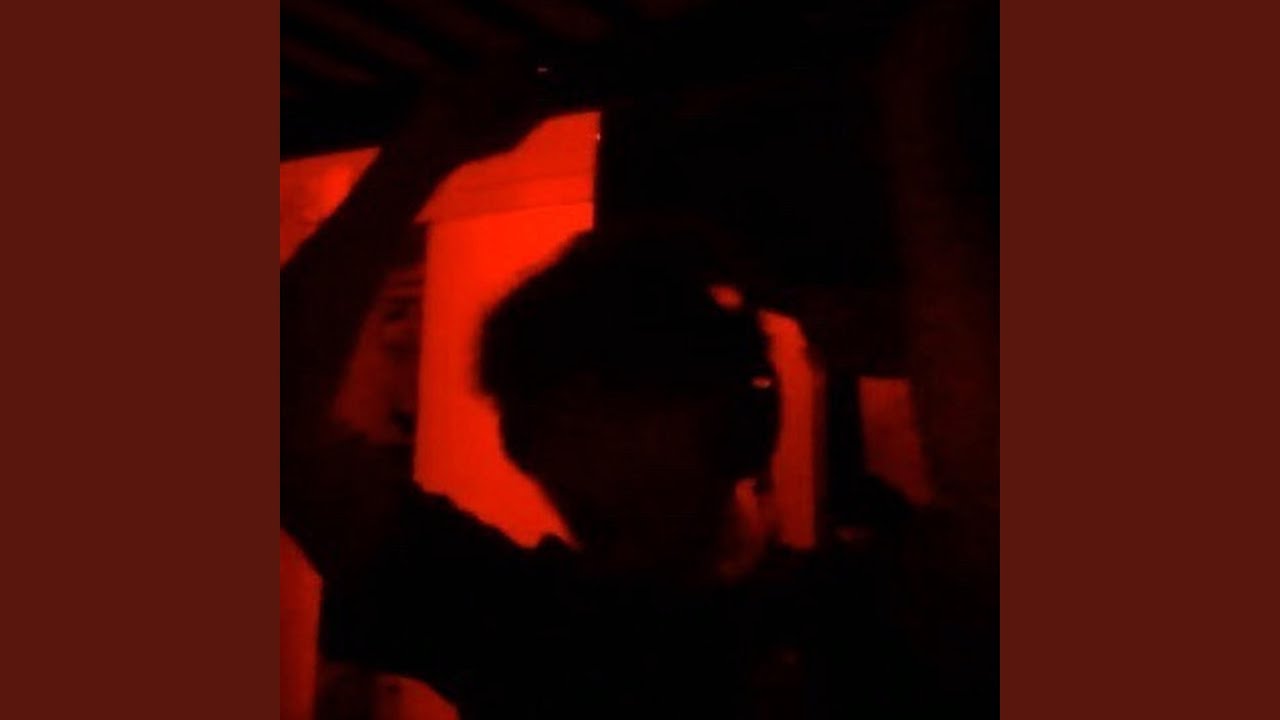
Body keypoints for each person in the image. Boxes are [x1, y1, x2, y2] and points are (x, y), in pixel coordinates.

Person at [282, 67, 918, 720]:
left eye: (609, 405)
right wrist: (422, 154)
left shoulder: (884, 615)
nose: (568, 457)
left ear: (737, 417)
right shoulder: (513, 620)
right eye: (542, 419)